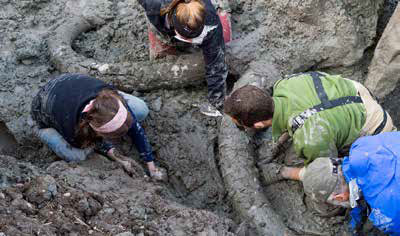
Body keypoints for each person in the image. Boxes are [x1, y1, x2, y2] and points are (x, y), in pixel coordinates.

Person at [224, 71, 395, 166]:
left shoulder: (309, 139)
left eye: (242, 126)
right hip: (355, 92)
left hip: (377, 129)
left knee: (299, 163)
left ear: (259, 124)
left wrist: (285, 173)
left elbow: (328, 167)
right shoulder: (284, 84)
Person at [31, 73, 163, 179]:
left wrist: (151, 165)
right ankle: (40, 131)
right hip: (45, 101)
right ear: (95, 129)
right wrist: (118, 158)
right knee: (77, 155)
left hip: (70, 82)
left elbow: (135, 127)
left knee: (141, 110)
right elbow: (96, 141)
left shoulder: (111, 97)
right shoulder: (72, 128)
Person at [294, 132, 400, 235]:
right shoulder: (360, 146)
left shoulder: (386, 216)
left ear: (339, 198)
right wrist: (353, 226)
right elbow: (360, 188)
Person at [138, 0, 232, 115]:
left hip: (208, 15)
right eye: (187, 38)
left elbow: (216, 66)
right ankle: (170, 36)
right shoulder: (154, 4)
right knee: (159, 57)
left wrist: (216, 101)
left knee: (224, 42)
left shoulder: (211, 23)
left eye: (194, 38)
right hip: (162, 19)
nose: (191, 42)